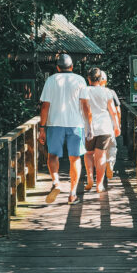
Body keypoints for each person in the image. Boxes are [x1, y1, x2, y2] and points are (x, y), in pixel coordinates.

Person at [38, 54, 89, 204]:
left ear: (58, 67)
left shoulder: (51, 80)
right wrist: (89, 126)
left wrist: (42, 128)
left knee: (52, 156)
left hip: (54, 124)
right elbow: (85, 105)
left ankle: (56, 182)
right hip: (76, 124)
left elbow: (45, 106)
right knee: (75, 158)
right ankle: (72, 194)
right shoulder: (80, 80)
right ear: (72, 67)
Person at [80, 68, 121, 193]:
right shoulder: (107, 92)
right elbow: (113, 111)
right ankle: (99, 184)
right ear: (100, 79)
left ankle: (90, 179)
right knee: (101, 156)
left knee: (88, 154)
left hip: (88, 128)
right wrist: (117, 126)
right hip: (105, 127)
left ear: (88, 78)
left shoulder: (84, 91)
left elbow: (82, 109)